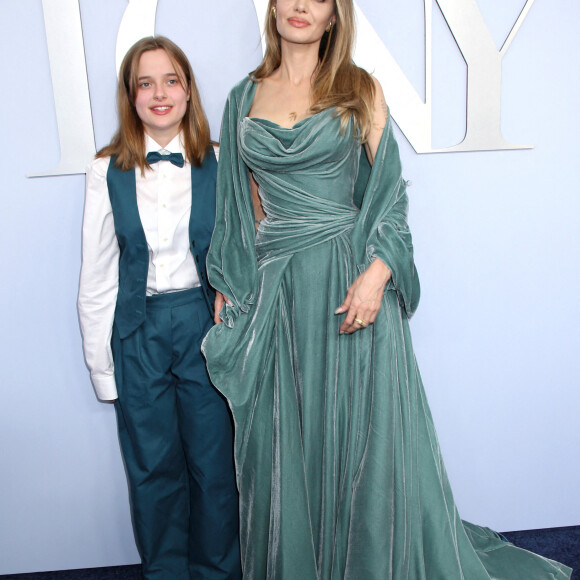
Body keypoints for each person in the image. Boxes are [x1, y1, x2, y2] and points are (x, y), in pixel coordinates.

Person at [201, 1, 572, 579]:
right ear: (273, 6)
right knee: (286, 446)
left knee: (363, 446)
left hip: (349, 285)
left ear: (333, 17)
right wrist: (232, 286)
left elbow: (391, 193)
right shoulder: (240, 100)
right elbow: (240, 209)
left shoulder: (359, 89)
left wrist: (377, 274)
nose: (301, 5)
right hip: (282, 295)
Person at [78, 36, 241, 580]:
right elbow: (97, 275)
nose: (160, 93)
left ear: (189, 90)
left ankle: (218, 572)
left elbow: (246, 253)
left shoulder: (221, 162)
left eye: (171, 79)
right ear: (131, 95)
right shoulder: (105, 171)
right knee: (153, 469)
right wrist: (103, 369)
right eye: (145, 82)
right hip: (138, 330)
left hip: (202, 327)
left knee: (214, 467)